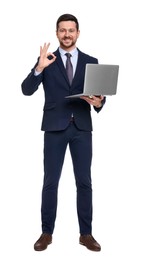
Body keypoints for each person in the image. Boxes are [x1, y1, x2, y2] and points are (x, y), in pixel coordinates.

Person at [21, 13, 106, 252]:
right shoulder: (47, 60)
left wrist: (98, 102)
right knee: (50, 182)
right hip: (54, 128)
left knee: (84, 182)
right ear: (56, 33)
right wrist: (39, 68)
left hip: (81, 128)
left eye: (71, 30)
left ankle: (86, 234)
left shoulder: (92, 60)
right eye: (62, 30)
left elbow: (101, 98)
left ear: (78, 33)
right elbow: (26, 90)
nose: (67, 34)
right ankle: (46, 232)